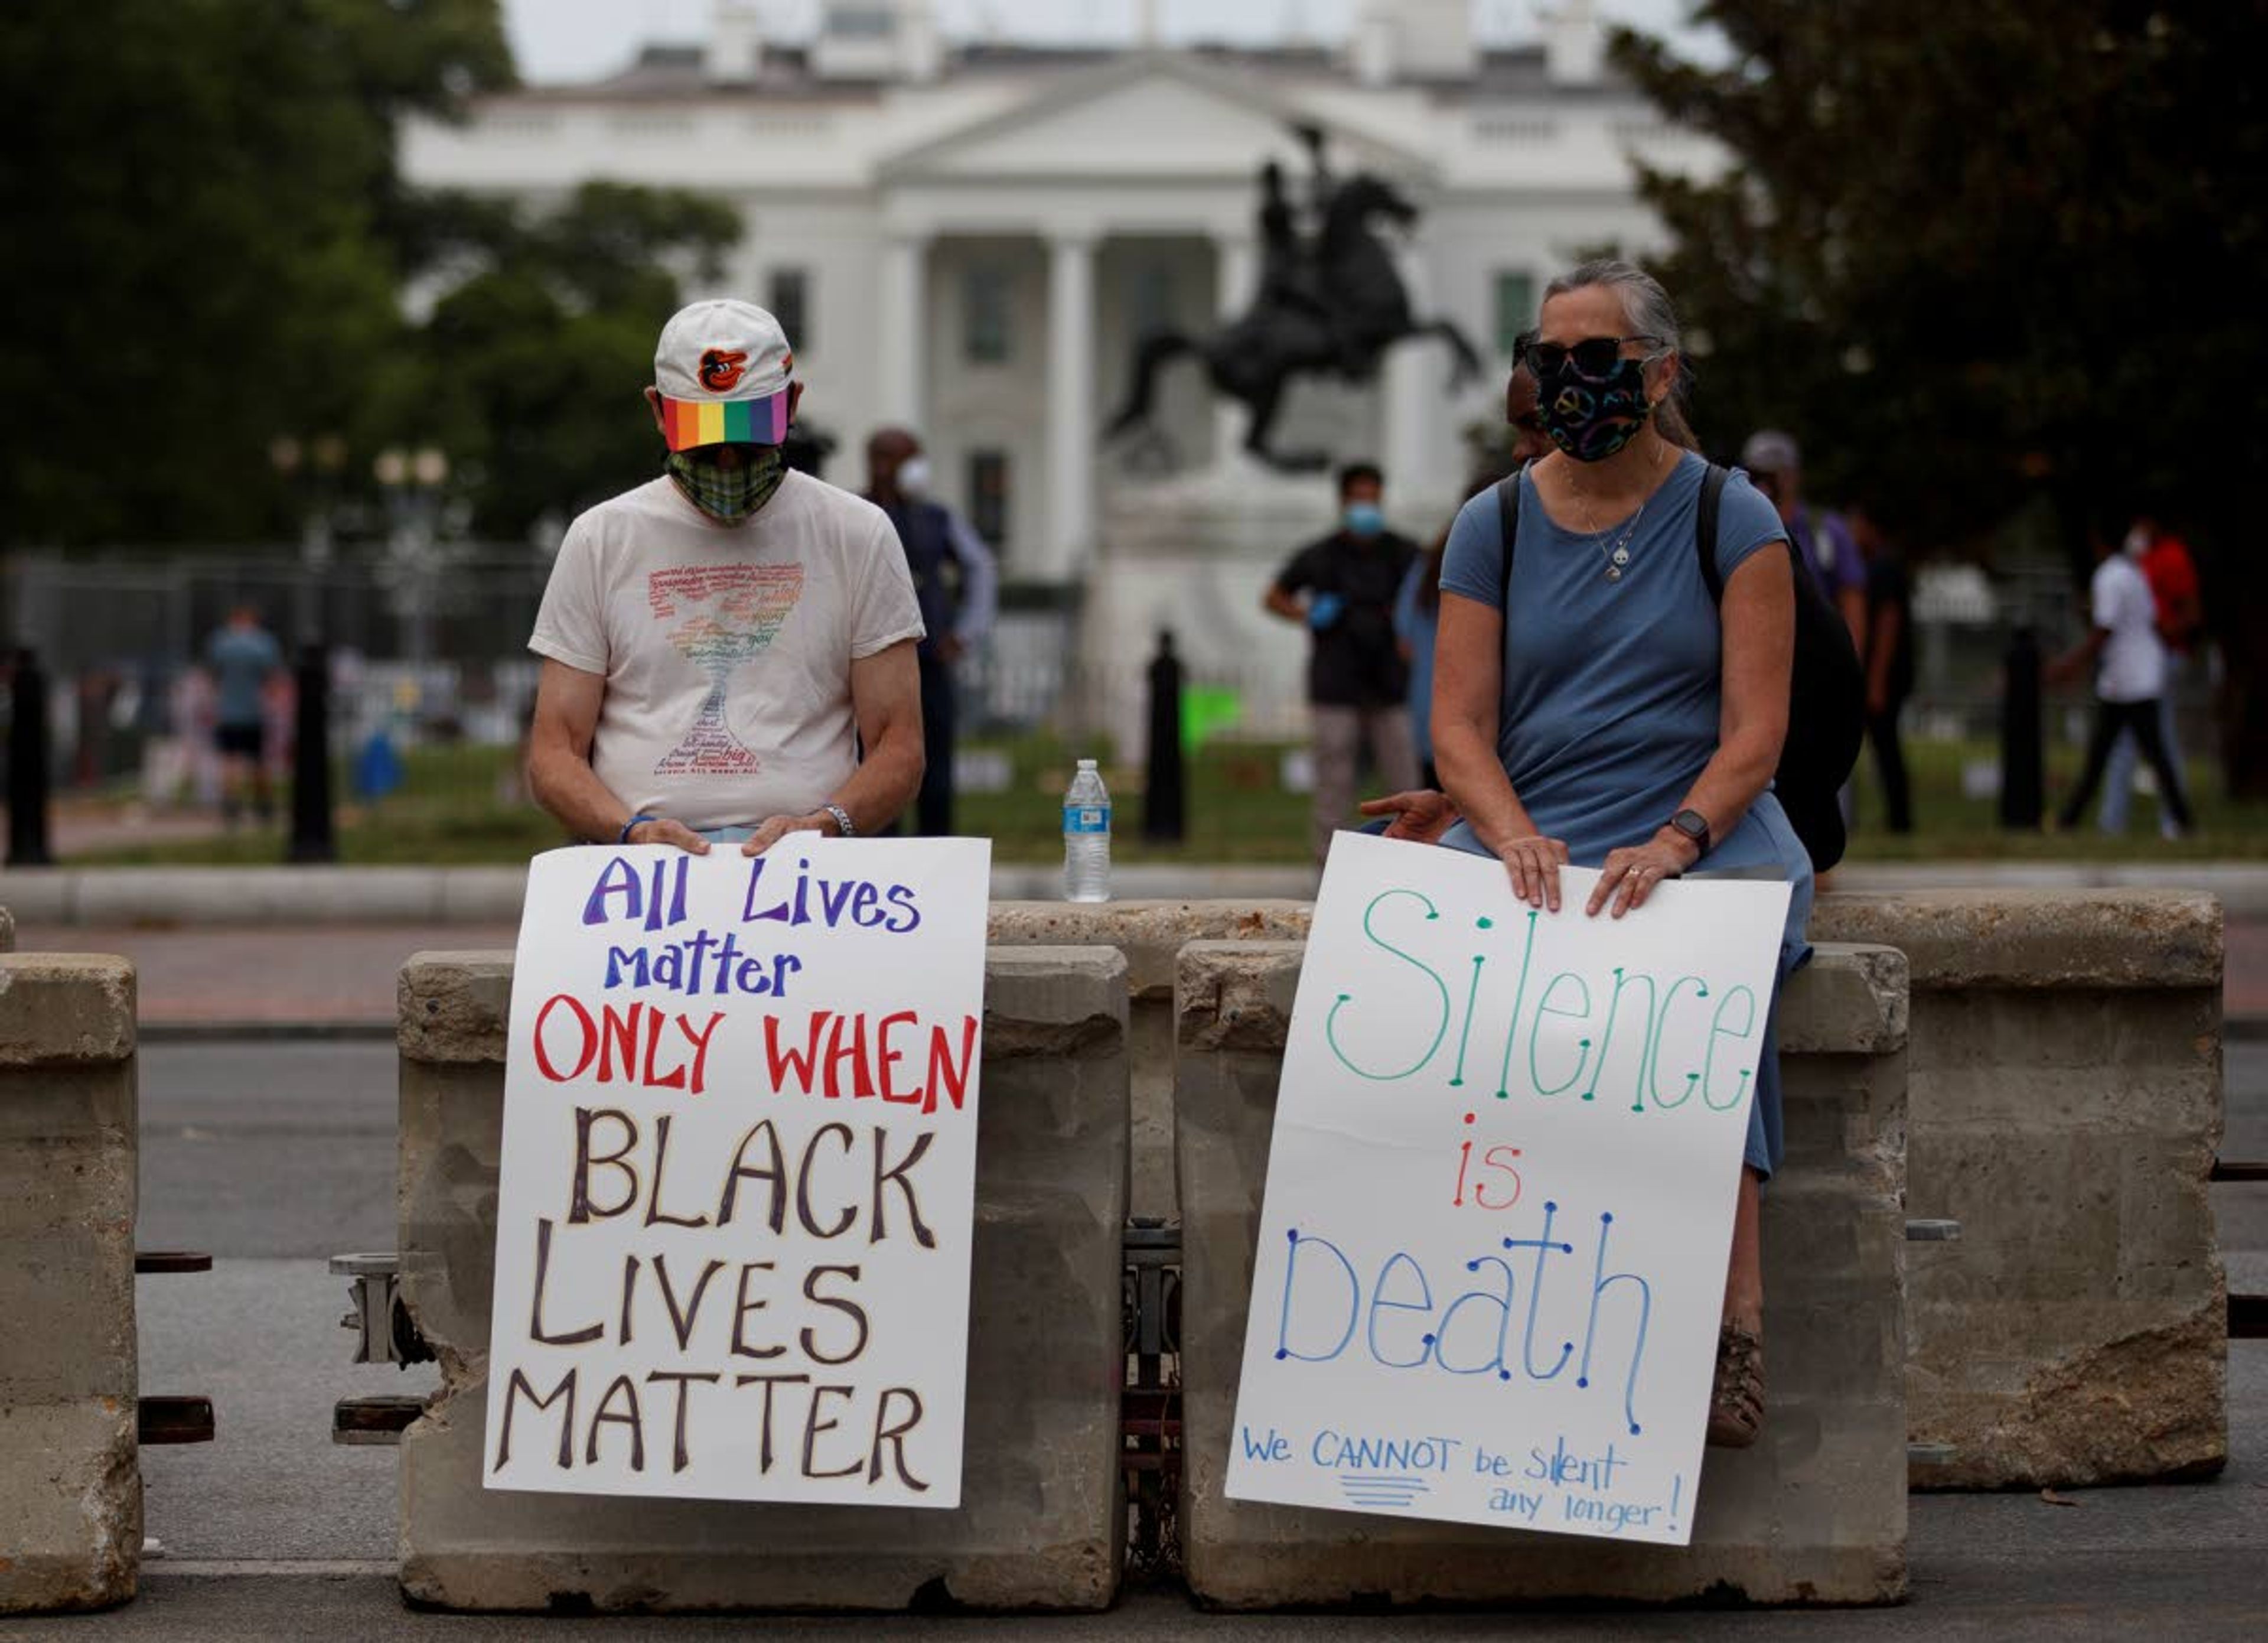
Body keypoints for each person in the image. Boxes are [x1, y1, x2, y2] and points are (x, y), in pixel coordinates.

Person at [1426, 259, 1808, 1450]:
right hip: (1544, 827)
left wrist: (1680, 839)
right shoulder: (1491, 522)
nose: (1568, 380)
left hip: (1708, 825)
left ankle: (1733, 1320)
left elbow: (1756, 731)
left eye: (1597, 358)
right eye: (1551, 357)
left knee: (1704, 983)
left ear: (1659, 371)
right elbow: (1457, 727)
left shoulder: (1731, 516)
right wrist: (1507, 829)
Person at [525, 298, 926, 858]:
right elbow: (553, 751)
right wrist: (632, 830)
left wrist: (825, 826)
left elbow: (899, 744)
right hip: (642, 869)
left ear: (793, 404)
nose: (732, 463)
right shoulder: (602, 538)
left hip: (809, 868)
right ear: (659, 413)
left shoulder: (856, 533)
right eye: (708, 442)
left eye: (748, 435)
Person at [1394, 362, 1553, 787]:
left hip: (1439, 721)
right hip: (1490, 731)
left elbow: (1405, 638)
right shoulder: (1494, 549)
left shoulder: (1430, 562)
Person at [1266, 461, 1422, 863]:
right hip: (1336, 685)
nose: (1365, 507)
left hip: (1391, 687)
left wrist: (1416, 637)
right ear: (1343, 501)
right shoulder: (1321, 556)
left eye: (1372, 498)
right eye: (1358, 499)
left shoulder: (1404, 554)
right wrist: (1306, 614)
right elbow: (1275, 596)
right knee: (1334, 789)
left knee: (1406, 783)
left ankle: (1411, 866)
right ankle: (1329, 873)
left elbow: (1434, 598)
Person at [863, 428, 998, 836]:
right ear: (881, 463)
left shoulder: (936, 518)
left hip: (930, 664)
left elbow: (980, 566)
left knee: (935, 770)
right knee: (876, 766)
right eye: (908, 460)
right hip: (872, 667)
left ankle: (937, 857)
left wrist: (966, 632)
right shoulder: (857, 512)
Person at [2047, 520, 2193, 837]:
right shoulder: (2133, 573)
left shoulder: (2110, 577)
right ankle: (2072, 820)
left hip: (2131, 679)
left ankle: (2179, 821)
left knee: (2146, 754)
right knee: (2110, 754)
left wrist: (2070, 665)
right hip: (2132, 676)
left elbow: (2105, 630)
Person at [2099, 515, 2203, 837]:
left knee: (2159, 742)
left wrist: (2160, 635)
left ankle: (2172, 822)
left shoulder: (2171, 557)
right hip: (2132, 666)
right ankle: (2114, 824)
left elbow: (2189, 611)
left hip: (2158, 662)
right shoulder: (2133, 565)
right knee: (2125, 745)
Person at [1740, 430, 1866, 656]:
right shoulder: (1737, 529)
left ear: (1794, 476)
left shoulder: (1827, 531)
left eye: (1775, 475)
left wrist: (1849, 669)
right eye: (1758, 475)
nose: (1766, 485)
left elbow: (1852, 601)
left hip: (1816, 662)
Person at [1847, 503, 1914, 834]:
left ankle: (1900, 819)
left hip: (1884, 675)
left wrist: (1876, 681)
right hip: (1879, 674)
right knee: (1882, 747)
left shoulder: (1885, 567)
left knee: (1886, 747)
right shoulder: (1871, 565)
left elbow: (1889, 623)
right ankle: (1894, 817)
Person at [204, 604, 283, 825]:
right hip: (254, 712)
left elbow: (213, 676)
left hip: (228, 712)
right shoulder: (264, 644)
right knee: (259, 761)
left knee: (230, 760)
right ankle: (264, 805)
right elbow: (272, 680)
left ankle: (231, 805)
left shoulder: (221, 643)